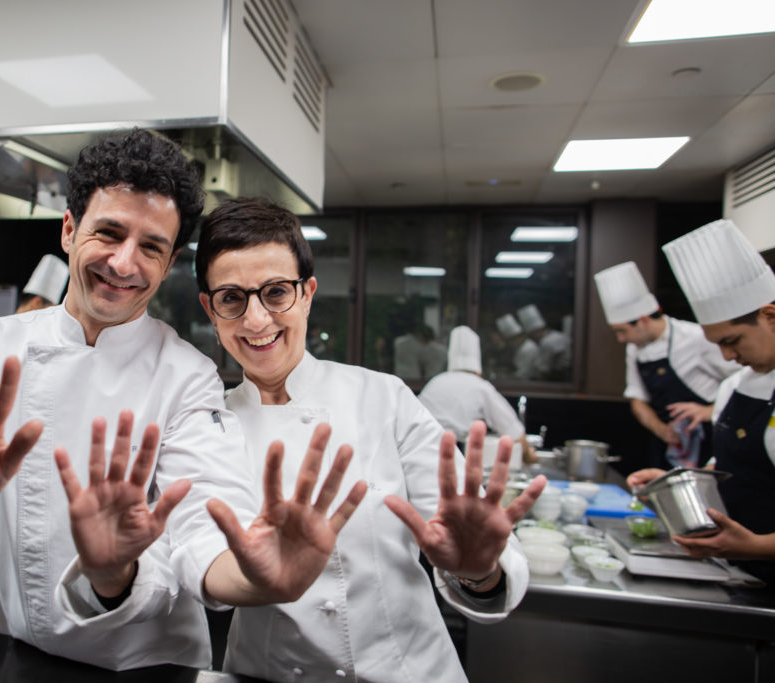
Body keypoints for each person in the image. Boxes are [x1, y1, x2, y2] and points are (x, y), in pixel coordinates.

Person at [0, 129, 366, 671]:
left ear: (168, 262)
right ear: (70, 230)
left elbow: (203, 519)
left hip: (151, 667)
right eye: (109, 233)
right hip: (19, 656)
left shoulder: (187, 376)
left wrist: (245, 575)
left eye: (151, 246)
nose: (125, 264)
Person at [194, 197, 545, 682]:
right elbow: (199, 557)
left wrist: (478, 572)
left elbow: (472, 540)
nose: (256, 320)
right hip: (270, 673)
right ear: (210, 309)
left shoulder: (384, 397)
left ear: (308, 293)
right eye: (232, 298)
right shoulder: (207, 425)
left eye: (276, 292)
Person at [627, 219, 775, 584]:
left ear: (770, 317)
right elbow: (722, 473)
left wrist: (754, 546)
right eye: (718, 345)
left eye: (733, 341)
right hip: (737, 575)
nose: (726, 357)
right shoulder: (733, 387)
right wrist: (671, 488)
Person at [594, 261, 739, 469]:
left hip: (708, 441)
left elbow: (741, 381)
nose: (620, 339)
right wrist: (662, 430)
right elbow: (638, 399)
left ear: (643, 321)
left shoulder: (696, 338)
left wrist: (708, 411)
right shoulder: (635, 348)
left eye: (622, 331)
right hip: (667, 443)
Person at [419, 325, 536, 462]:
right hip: (449, 454)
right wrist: (529, 456)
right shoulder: (480, 386)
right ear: (478, 370)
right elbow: (512, 430)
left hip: (417, 449)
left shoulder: (436, 381)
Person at [517, 303, 571, 381]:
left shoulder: (547, 342)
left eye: (532, 335)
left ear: (535, 332)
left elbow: (543, 370)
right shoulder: (558, 335)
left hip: (560, 379)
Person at [497, 313, 538, 380]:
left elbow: (523, 373)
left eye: (510, 340)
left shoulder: (529, 348)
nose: (510, 343)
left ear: (518, 337)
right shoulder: (521, 348)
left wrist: (507, 377)